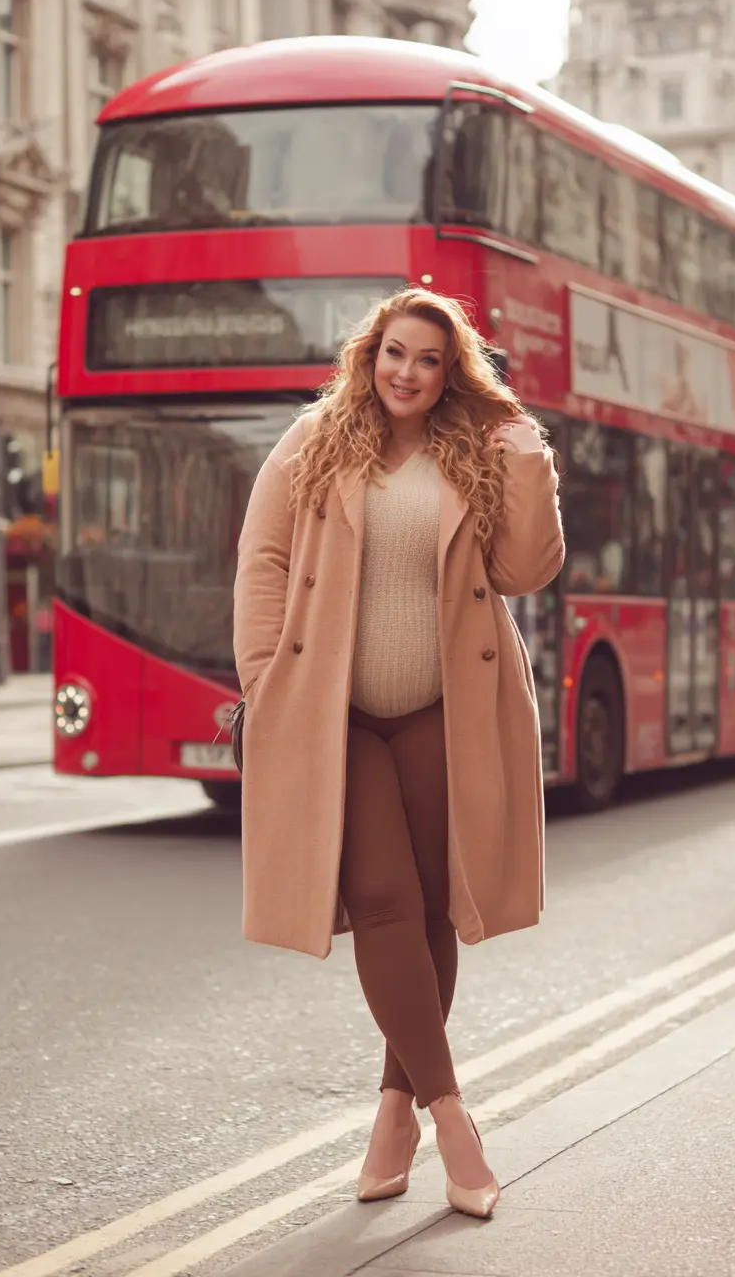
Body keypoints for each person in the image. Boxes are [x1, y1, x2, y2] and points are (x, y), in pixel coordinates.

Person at [233, 287, 564, 1219]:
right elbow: (262, 560)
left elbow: (525, 570)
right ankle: (452, 1118)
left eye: (428, 358)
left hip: (440, 709)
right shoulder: (315, 439)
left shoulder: (475, 450)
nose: (407, 373)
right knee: (381, 896)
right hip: (336, 714)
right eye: (394, 353)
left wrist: (526, 453)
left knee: (429, 909)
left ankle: (394, 1112)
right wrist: (268, 682)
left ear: (450, 371)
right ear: (369, 357)